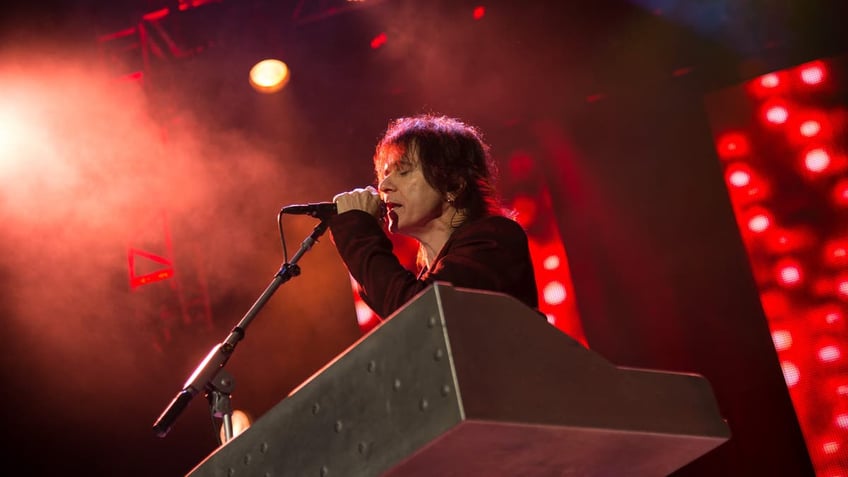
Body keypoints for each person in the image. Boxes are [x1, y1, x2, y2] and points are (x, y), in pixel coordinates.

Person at [329, 114, 539, 319]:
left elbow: (423, 316)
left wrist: (357, 231)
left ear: (454, 185)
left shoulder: (497, 240)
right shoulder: (425, 277)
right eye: (384, 175)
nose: (383, 186)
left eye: (403, 172)